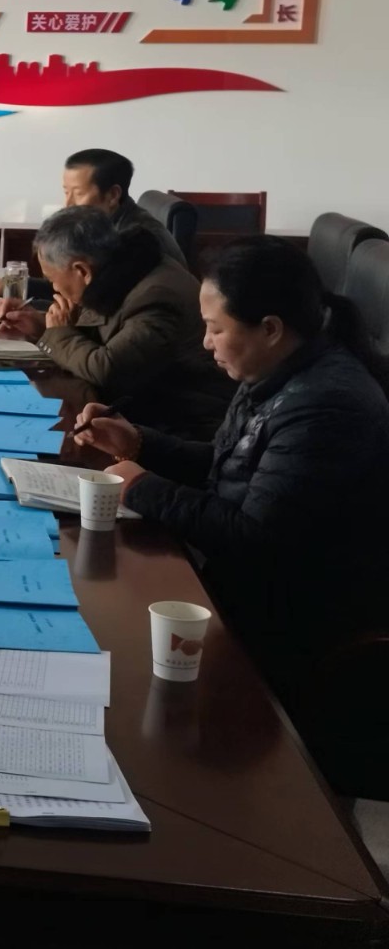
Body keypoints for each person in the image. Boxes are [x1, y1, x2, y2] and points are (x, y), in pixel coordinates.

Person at [76, 237, 389, 794]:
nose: (205, 343)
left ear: (270, 328)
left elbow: (255, 536)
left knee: (115, 664)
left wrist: (142, 487)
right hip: (241, 580)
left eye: (215, 329)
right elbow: (230, 467)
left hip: (295, 618)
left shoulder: (327, 405)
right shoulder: (277, 371)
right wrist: (140, 443)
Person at [0, 207, 233, 437]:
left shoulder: (155, 295)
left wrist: (57, 335)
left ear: (82, 271)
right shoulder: (119, 268)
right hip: (146, 402)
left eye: (52, 279)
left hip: (182, 423)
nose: (54, 288)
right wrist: (42, 327)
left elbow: (108, 369)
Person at [0, 147, 186, 319]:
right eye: (66, 192)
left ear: (112, 195)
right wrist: (16, 287)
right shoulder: (103, 229)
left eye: (78, 194)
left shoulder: (137, 242)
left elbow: (95, 307)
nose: (68, 204)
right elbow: (80, 286)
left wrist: (30, 312)